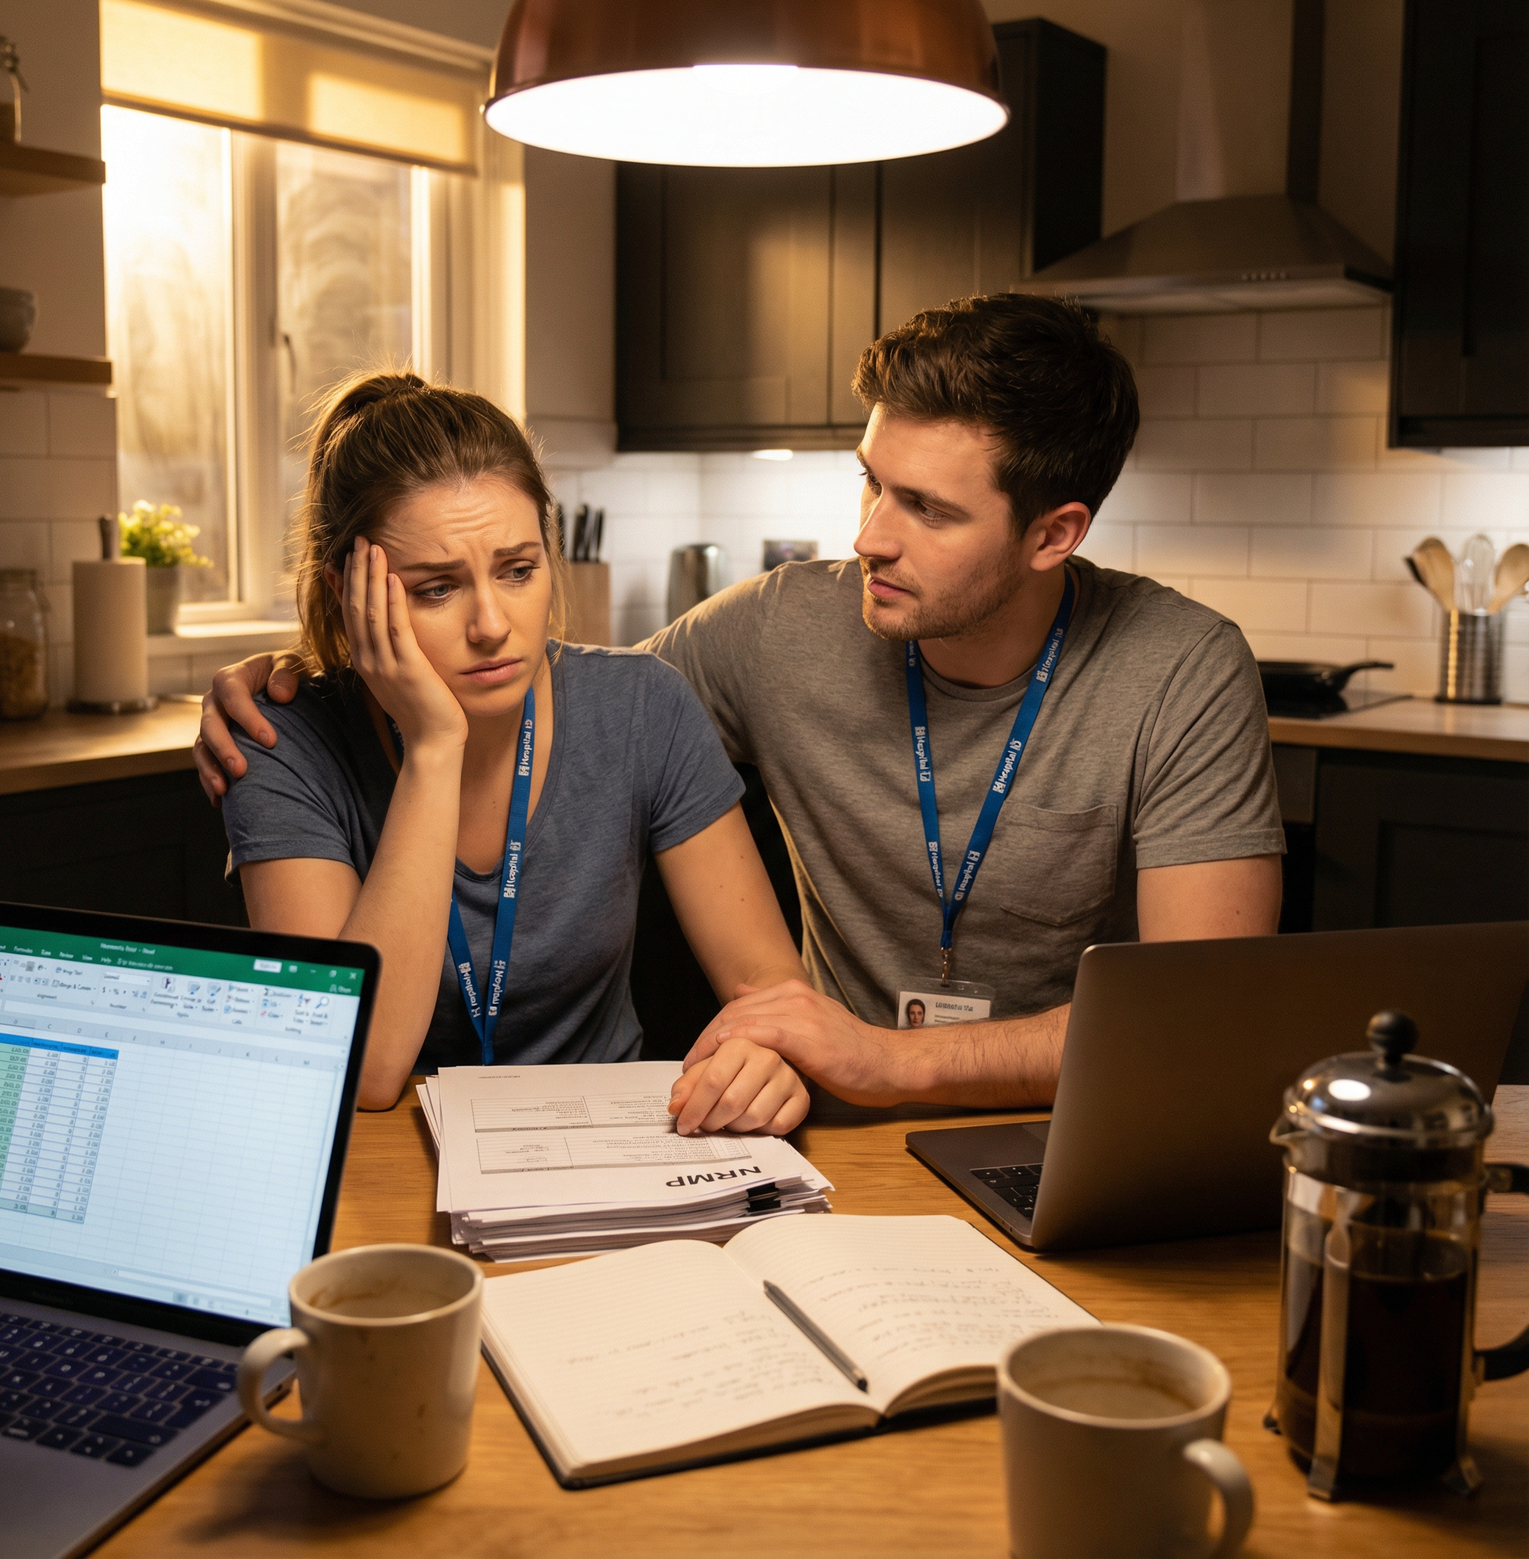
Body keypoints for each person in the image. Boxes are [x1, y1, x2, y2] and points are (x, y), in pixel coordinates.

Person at [196, 296, 1284, 1123]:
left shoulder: (1179, 671)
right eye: (871, 481)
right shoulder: (772, 631)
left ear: (1054, 534)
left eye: (925, 507)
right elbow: (563, 696)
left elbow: (1194, 1020)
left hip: (1066, 1126)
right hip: (839, 1125)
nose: (868, 535)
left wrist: (881, 1057)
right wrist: (314, 663)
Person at [217, 371, 808, 1128]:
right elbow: (362, 1070)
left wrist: (763, 1057)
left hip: (613, 1146)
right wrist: (435, 746)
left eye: (518, 571)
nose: (492, 625)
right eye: (436, 588)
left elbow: (774, 998)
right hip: (387, 1162)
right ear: (347, 593)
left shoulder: (643, 707)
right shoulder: (281, 745)